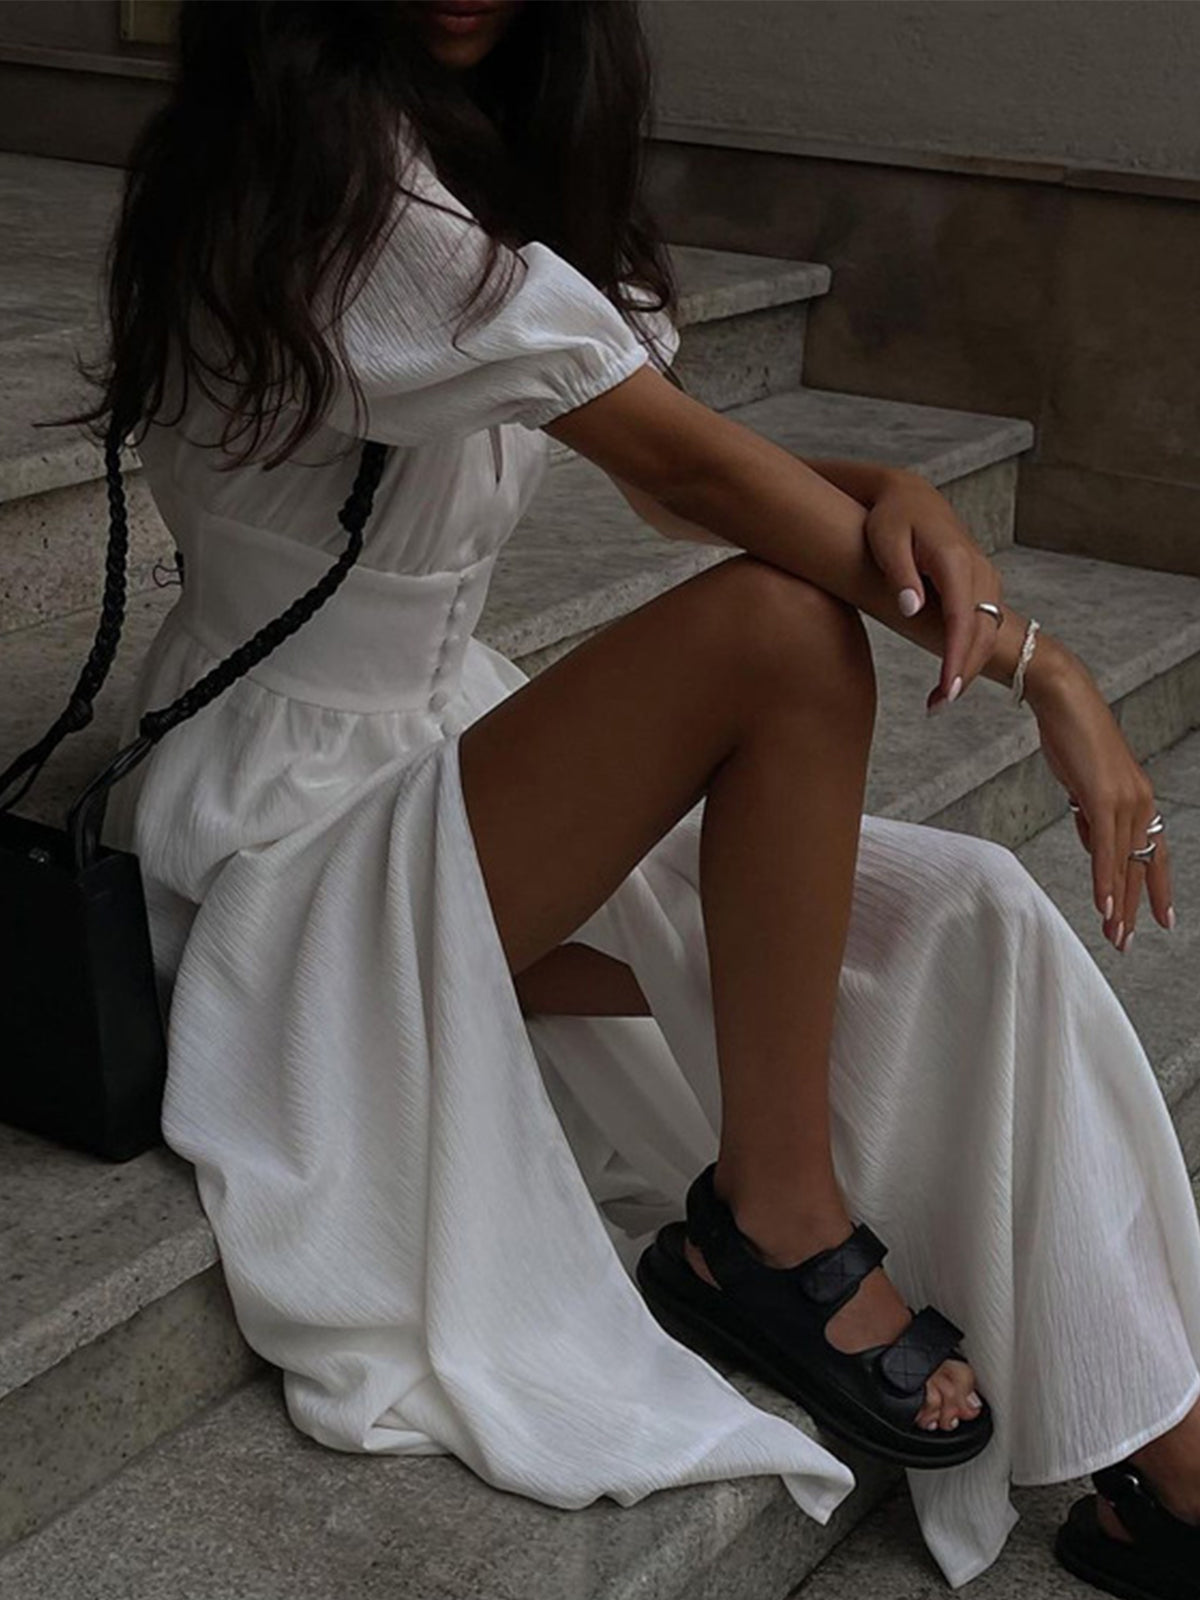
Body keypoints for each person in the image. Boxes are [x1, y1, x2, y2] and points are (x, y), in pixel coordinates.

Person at [55, 2, 1200, 1593]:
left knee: (956, 916)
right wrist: (1042, 669)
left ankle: (1175, 1456)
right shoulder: (345, 194)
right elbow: (701, 482)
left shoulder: (473, 167)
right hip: (278, 832)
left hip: (448, 759)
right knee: (781, 638)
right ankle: (777, 1228)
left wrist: (891, 489)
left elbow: (670, 477)